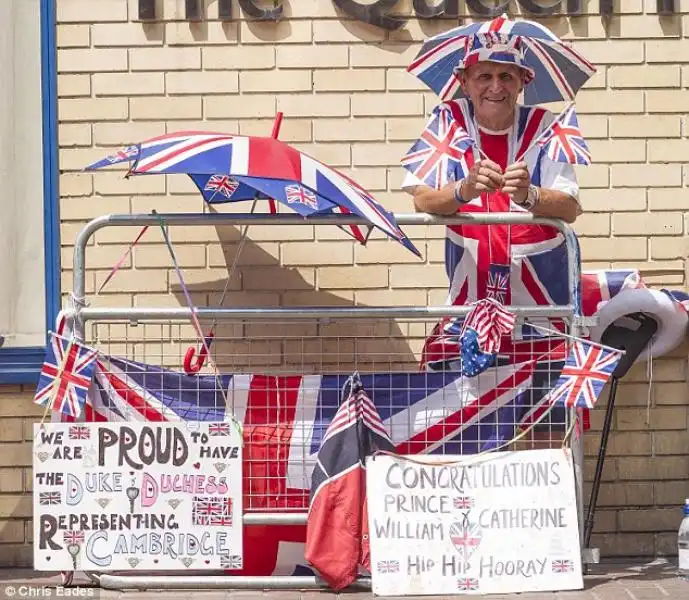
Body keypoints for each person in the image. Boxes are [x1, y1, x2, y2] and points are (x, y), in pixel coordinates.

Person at [402, 39, 585, 446]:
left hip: (541, 311)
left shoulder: (546, 126)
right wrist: (463, 189)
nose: (495, 86)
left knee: (547, 429)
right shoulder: (447, 123)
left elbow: (570, 207)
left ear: (523, 80)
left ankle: (545, 507)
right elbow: (421, 198)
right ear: (463, 82)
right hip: (468, 309)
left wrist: (531, 196)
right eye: (483, 76)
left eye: (506, 75)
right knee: (463, 425)